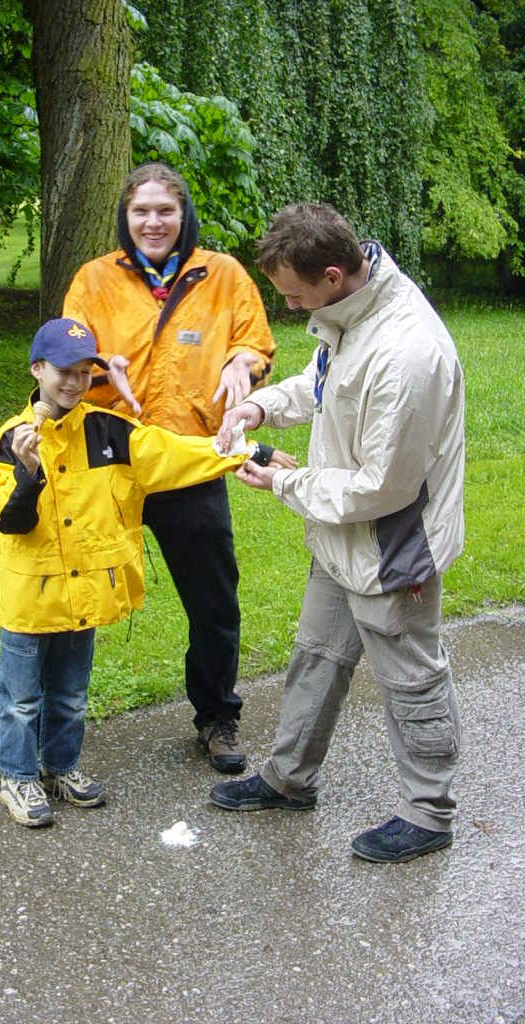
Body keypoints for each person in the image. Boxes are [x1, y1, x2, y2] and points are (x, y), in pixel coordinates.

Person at [210, 203, 465, 864]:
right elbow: (324, 385)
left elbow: (385, 487)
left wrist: (285, 484)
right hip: (339, 530)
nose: (291, 307)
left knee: (411, 679)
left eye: (294, 296)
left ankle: (429, 812)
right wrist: (259, 405)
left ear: (330, 275)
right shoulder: (351, 312)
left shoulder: (406, 353)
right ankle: (289, 779)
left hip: (392, 545)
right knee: (318, 653)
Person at [0, 317, 283, 828]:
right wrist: (29, 474)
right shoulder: (12, 440)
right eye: (63, 371)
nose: (74, 382)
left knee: (71, 696)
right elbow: (5, 518)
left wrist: (250, 451)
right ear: (37, 369)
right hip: (31, 599)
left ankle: (59, 767)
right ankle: (16, 777)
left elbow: (176, 453)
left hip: (86, 597)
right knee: (21, 700)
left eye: (84, 372)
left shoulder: (111, 431)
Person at [60, 162, 282, 773]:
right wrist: (99, 364)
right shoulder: (94, 278)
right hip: (111, 458)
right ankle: (35, 720)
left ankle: (217, 717)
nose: (153, 222)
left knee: (214, 602)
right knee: (70, 592)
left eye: (165, 211)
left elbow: (255, 342)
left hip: (190, 463)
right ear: (124, 216)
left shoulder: (223, 274)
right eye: (141, 211)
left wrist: (240, 361)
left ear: (184, 216)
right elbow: (65, 350)